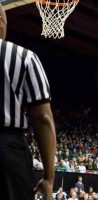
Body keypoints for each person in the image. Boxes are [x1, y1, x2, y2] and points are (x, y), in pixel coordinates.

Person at [0, 4, 56, 200]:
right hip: (7, 150)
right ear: (1, 22)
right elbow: (43, 118)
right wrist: (49, 178)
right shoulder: (25, 57)